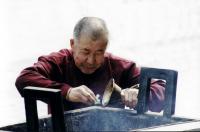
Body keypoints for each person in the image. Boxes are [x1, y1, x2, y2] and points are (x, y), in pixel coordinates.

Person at [15, 17, 165, 113]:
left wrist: (140, 92)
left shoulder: (120, 67)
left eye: (99, 52)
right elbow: (24, 79)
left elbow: (163, 90)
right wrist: (67, 92)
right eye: (85, 52)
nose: (91, 60)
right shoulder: (58, 63)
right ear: (73, 44)